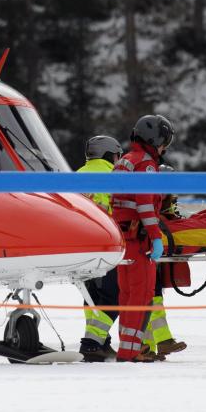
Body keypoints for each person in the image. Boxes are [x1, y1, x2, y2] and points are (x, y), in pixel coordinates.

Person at [111, 114, 176, 362]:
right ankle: (131, 352)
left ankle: (127, 347)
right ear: (155, 140)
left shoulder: (124, 161)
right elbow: (146, 207)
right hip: (139, 242)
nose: (163, 149)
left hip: (123, 239)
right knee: (141, 295)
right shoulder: (146, 165)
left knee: (126, 295)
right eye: (163, 144)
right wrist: (155, 237)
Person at [77, 135, 123, 362]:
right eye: (117, 156)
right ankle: (92, 342)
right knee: (115, 295)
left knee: (92, 296)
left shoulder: (75, 175)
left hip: (78, 249)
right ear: (109, 154)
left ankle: (101, 343)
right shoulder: (114, 176)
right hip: (107, 247)